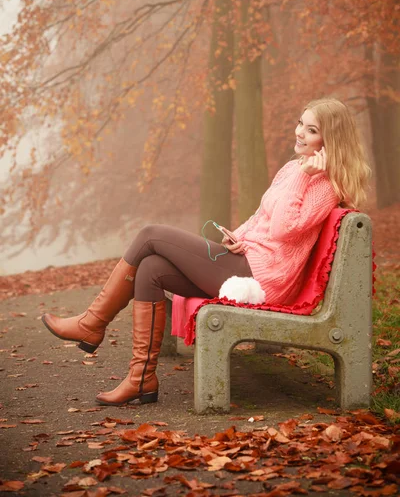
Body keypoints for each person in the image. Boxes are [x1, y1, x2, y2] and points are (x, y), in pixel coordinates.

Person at [41, 98, 370, 406]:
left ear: (329, 142)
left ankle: (92, 323)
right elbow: (262, 216)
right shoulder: (293, 169)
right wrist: (238, 237)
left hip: (263, 279)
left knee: (150, 235)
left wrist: (303, 176)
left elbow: (285, 229)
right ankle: (140, 378)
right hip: (248, 261)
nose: (300, 132)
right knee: (152, 268)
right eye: (301, 123)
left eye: (311, 130)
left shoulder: (325, 185)